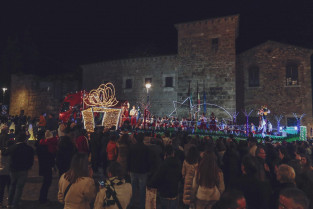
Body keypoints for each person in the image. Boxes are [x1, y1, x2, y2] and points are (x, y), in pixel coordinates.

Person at [3, 133, 34, 208]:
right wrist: (29, 166)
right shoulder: (29, 148)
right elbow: (31, 160)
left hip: (13, 169)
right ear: (24, 139)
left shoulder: (13, 147)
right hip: (23, 169)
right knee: (19, 188)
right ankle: (15, 203)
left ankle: (9, 203)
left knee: (12, 186)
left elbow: (5, 153)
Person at [150, 145, 182, 209]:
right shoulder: (179, 163)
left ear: (165, 154)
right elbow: (180, 177)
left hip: (164, 193)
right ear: (173, 153)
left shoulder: (163, 165)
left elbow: (157, 178)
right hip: (175, 193)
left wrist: (149, 184)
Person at [128, 133, 150, 209]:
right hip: (143, 171)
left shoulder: (132, 147)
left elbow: (129, 159)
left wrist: (128, 169)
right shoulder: (146, 148)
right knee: (142, 189)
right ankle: (142, 205)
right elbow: (148, 160)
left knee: (133, 188)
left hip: (133, 169)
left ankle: (132, 203)